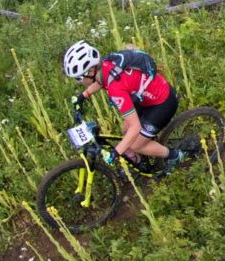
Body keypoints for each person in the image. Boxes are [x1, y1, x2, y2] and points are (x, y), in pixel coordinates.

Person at [62, 41, 185, 170]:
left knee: (135, 145)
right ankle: (138, 158)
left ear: (91, 70)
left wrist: (116, 153)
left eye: (79, 78)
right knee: (125, 130)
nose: (78, 81)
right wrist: (84, 95)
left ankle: (173, 155)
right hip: (146, 96)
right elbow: (100, 82)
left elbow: (135, 127)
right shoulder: (104, 65)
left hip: (163, 102)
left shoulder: (116, 89)